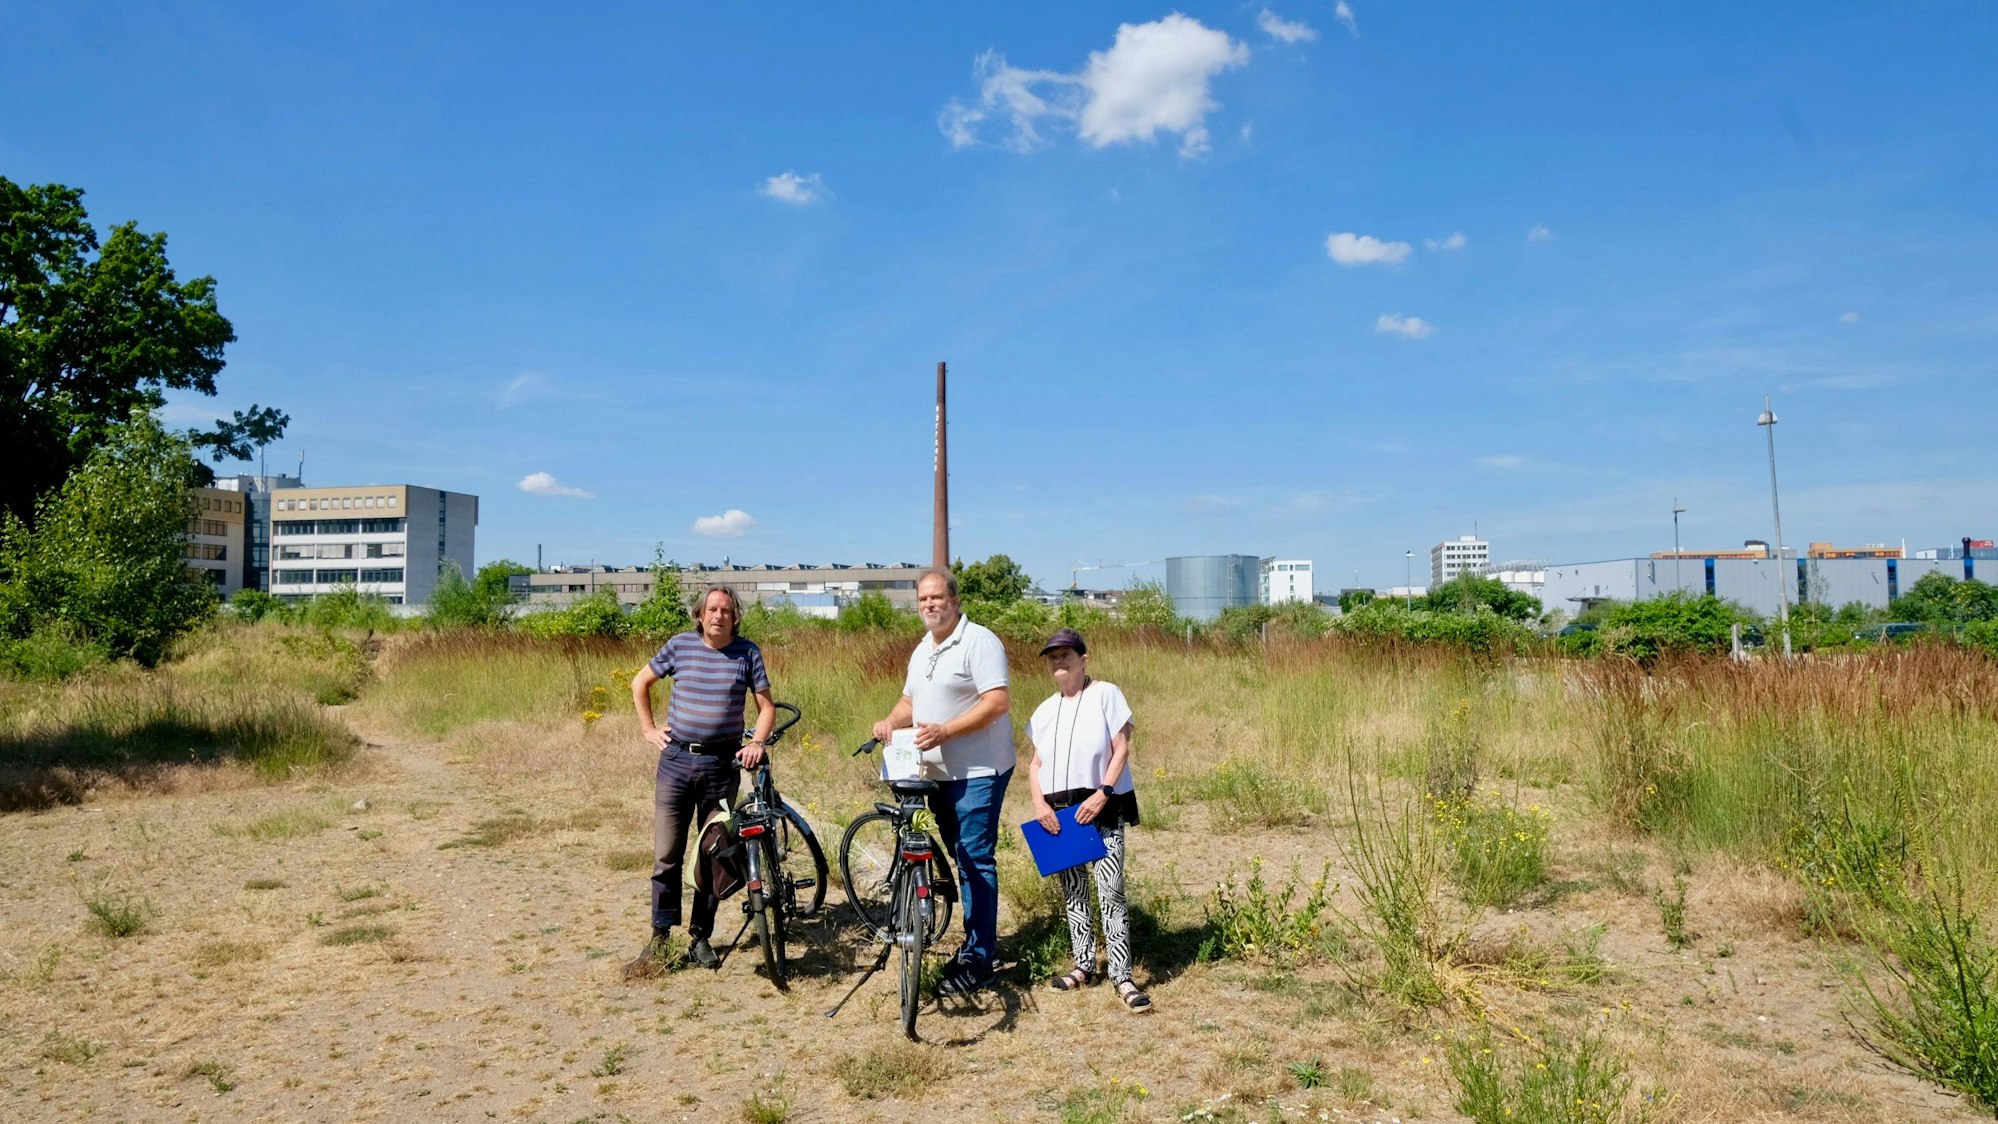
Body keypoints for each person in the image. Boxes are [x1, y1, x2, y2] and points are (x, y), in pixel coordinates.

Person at [871, 569, 1013, 997]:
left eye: (937, 597)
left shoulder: (979, 642)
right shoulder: (923, 649)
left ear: (954, 600)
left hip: (978, 772)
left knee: (974, 859)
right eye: (923, 600)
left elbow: (997, 702)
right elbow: (910, 702)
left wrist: (947, 732)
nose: (930, 605)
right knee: (958, 855)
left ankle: (978, 959)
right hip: (934, 775)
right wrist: (890, 721)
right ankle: (976, 938)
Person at [623, 585, 775, 978]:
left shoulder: (748, 653)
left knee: (713, 854)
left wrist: (757, 742)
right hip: (675, 762)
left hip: (721, 766)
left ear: (734, 616)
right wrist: (649, 729)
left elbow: (766, 707)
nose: (719, 616)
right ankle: (659, 938)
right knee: (667, 855)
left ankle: (700, 937)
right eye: (712, 609)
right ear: (700, 614)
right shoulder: (679, 646)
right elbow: (640, 683)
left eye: (726, 610)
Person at [1026, 627, 1150, 1012]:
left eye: (1066, 654)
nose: (1059, 661)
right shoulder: (1043, 712)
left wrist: (1104, 792)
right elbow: (1035, 764)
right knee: (1074, 891)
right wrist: (1039, 805)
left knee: (1110, 889)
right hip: (1059, 814)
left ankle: (1122, 974)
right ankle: (1083, 966)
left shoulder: (1106, 695)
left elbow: (1121, 748)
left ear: (1084, 658)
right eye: (1052, 656)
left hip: (1100, 807)